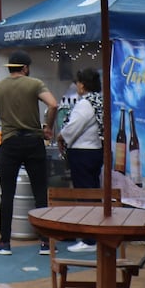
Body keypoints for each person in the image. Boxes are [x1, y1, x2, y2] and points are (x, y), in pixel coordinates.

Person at [0, 50, 57, 256]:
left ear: (11, 68)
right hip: (34, 142)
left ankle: (4, 243)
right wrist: (48, 128)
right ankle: (45, 242)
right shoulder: (34, 84)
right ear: (25, 68)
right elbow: (53, 104)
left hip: (9, 144)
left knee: (7, 193)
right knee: (40, 192)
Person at [56, 67, 104, 253]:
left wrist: (61, 136)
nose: (76, 86)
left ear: (82, 85)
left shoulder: (85, 103)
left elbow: (72, 126)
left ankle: (88, 239)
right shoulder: (99, 100)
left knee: (85, 195)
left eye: (77, 83)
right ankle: (93, 234)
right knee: (92, 193)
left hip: (83, 153)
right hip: (95, 151)